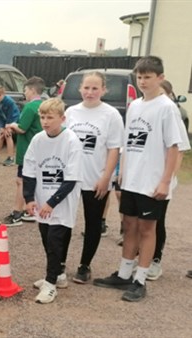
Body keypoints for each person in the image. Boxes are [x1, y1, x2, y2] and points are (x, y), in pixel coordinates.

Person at [93, 56, 182, 302]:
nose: (143, 81)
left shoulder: (166, 107)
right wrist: (122, 171)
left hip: (152, 181)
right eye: (140, 77)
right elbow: (128, 142)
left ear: (160, 78)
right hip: (132, 178)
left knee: (147, 228)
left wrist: (165, 181)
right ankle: (124, 273)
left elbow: (175, 147)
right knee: (129, 225)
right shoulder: (135, 106)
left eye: (148, 77)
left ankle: (140, 278)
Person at [64, 71, 124, 284]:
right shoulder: (70, 112)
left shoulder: (111, 115)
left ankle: (84, 265)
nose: (90, 92)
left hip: (95, 178)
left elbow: (114, 149)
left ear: (103, 90)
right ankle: (59, 264)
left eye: (95, 88)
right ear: (80, 88)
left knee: (93, 222)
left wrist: (106, 177)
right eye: (86, 88)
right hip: (70, 178)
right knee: (64, 222)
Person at [23, 98, 83, 304]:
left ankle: (50, 284)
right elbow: (29, 170)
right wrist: (29, 198)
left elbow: (72, 179)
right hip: (42, 199)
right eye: (42, 117)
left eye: (50, 117)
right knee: (46, 236)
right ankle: (58, 274)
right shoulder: (38, 140)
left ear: (62, 118)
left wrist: (52, 202)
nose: (45, 121)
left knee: (55, 240)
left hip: (62, 200)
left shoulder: (72, 141)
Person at [145, 80, 190, 281]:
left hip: (162, 179)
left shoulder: (173, 115)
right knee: (141, 221)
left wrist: (169, 178)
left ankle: (155, 259)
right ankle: (142, 256)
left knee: (157, 220)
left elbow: (179, 150)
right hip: (145, 177)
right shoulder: (144, 110)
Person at [5, 76, 44, 226]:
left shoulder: (29, 107)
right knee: (34, 180)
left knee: (21, 180)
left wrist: (12, 125)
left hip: (27, 149)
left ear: (32, 90)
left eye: (26, 90)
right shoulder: (44, 105)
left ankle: (17, 213)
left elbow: (22, 128)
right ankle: (31, 210)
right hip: (40, 149)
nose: (25, 93)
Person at [0, 85, 20, 166]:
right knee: (1, 134)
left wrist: (8, 126)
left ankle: (11, 158)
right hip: (4, 120)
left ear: (4, 94)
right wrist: (2, 126)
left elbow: (11, 114)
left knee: (8, 135)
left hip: (13, 118)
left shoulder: (9, 101)